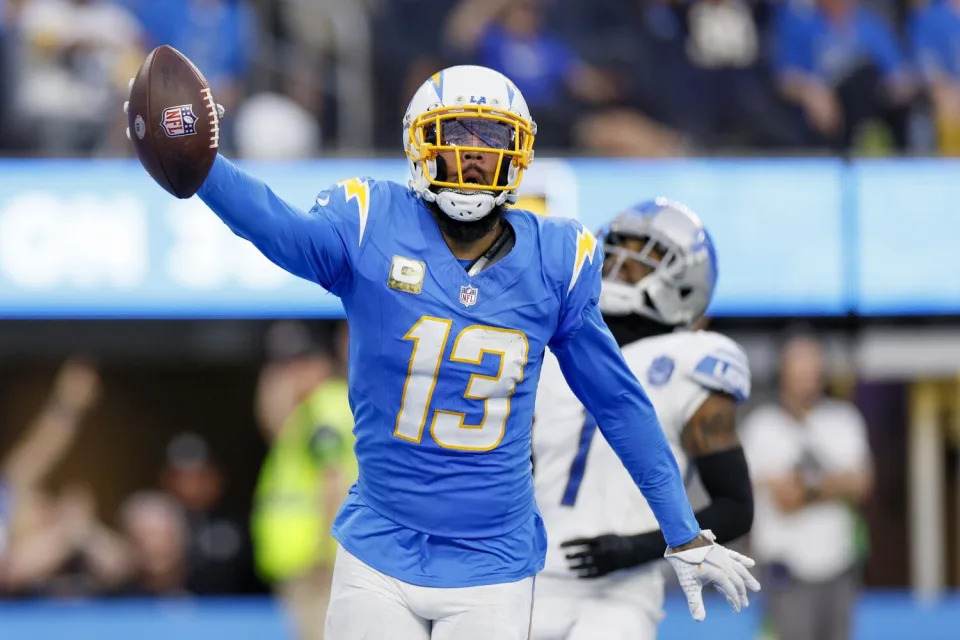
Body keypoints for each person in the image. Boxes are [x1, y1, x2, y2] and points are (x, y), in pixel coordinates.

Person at [127, 62, 756, 639]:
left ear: (518, 153)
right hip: (378, 544)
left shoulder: (557, 259)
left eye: (490, 138)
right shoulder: (371, 219)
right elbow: (280, 229)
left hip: (492, 562)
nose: (473, 155)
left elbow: (620, 403)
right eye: (455, 132)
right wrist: (206, 171)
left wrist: (683, 533)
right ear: (418, 143)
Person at [532, 200, 758, 639]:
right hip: (526, 575)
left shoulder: (692, 358)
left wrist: (634, 548)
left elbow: (737, 507)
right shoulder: (552, 345)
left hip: (621, 594)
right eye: (615, 250)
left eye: (644, 253)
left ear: (687, 282)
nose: (620, 263)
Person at [741, 332, 873, 640]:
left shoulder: (844, 419)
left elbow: (862, 483)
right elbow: (785, 500)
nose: (807, 379)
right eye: (799, 370)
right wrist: (833, 485)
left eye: (813, 370)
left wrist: (805, 486)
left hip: (839, 567)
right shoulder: (762, 426)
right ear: (783, 373)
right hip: (786, 573)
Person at [251, 321, 355, 640]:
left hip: (318, 570)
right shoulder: (309, 411)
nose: (287, 376)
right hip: (309, 568)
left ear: (318, 365)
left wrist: (324, 557)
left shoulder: (324, 407)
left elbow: (333, 482)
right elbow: (272, 423)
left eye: (297, 365)